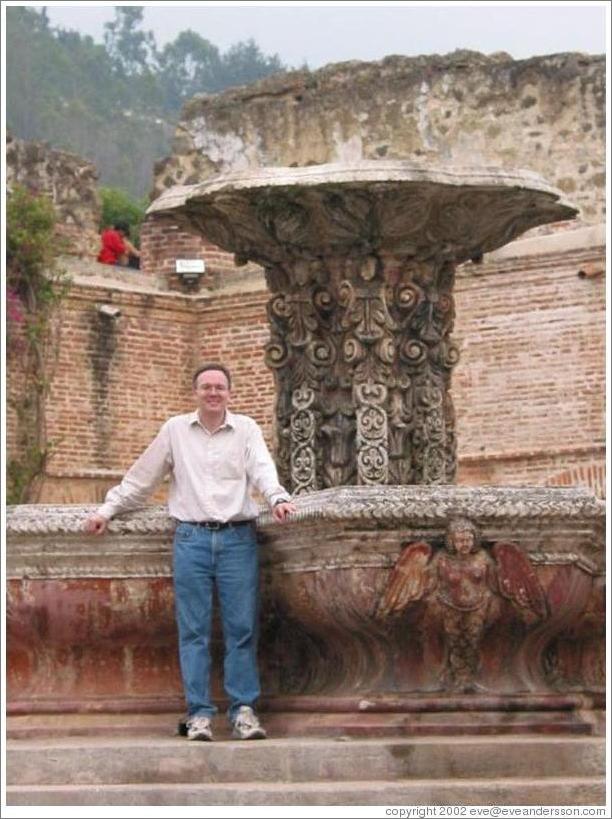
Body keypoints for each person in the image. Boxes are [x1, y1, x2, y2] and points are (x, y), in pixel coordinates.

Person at [84, 363, 296, 741]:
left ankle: (243, 712)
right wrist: (107, 510)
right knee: (193, 632)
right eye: (206, 387)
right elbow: (142, 478)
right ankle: (199, 714)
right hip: (192, 540)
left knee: (242, 629)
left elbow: (263, 469)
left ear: (229, 393)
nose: (213, 393)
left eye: (219, 387)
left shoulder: (246, 429)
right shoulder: (175, 431)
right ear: (195, 392)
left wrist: (278, 498)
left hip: (237, 539)